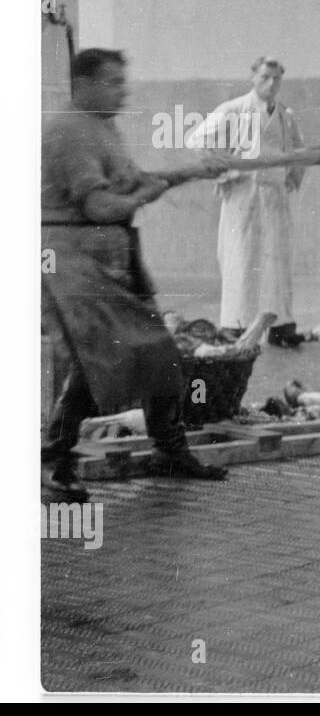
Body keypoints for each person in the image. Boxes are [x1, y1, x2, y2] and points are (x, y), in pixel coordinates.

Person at [42, 49, 231, 500]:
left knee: (157, 350)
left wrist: (188, 172)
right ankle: (51, 460)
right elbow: (101, 205)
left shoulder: (102, 125)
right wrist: (147, 196)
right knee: (97, 360)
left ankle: (169, 449)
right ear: (83, 84)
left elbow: (130, 183)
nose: (123, 90)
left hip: (109, 258)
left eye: (123, 81)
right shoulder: (70, 132)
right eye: (112, 82)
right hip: (70, 259)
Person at [185, 56, 308, 348]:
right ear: (253, 77)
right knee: (241, 259)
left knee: (276, 259)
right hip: (244, 194)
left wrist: (292, 174)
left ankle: (280, 325)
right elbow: (197, 140)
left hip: (274, 196)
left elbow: (299, 148)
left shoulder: (285, 116)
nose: (271, 83)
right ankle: (236, 324)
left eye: (277, 78)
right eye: (265, 77)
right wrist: (226, 170)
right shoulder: (233, 110)